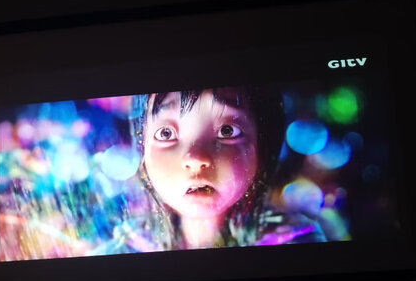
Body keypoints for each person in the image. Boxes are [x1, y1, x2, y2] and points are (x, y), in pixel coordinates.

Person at [135, 86, 326, 250]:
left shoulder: (291, 242)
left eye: (227, 131)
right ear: (142, 147)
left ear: (262, 147)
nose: (195, 159)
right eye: (165, 133)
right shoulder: (132, 242)